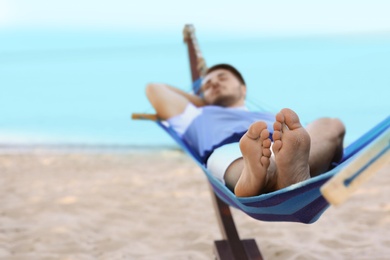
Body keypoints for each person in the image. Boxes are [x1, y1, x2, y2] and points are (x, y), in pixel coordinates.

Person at [145, 64, 345, 197]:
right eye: (207, 84)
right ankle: (264, 175)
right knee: (250, 158)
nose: (214, 82)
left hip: (281, 144)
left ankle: (287, 170)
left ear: (243, 89)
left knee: (330, 123)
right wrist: (201, 102)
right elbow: (155, 88)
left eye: (222, 78)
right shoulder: (193, 115)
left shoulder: (269, 115)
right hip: (232, 149)